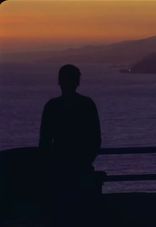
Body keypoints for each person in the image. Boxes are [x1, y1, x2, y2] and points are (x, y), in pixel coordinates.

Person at [39, 64, 101, 227]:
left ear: (59, 82)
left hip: (59, 169)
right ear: (77, 81)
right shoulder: (87, 105)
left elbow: (44, 142)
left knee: (61, 214)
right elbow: (95, 139)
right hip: (80, 168)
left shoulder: (52, 107)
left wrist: (49, 165)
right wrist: (85, 161)